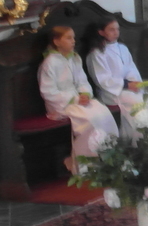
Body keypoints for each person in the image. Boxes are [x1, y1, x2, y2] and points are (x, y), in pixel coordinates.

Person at [38, 25, 119, 173]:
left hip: (79, 100)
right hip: (61, 104)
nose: (73, 41)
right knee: (89, 120)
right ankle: (85, 165)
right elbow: (48, 92)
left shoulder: (74, 58)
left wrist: (85, 94)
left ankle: (108, 157)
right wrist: (75, 99)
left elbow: (82, 81)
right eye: (69, 38)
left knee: (103, 113)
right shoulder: (50, 63)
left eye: (74, 38)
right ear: (56, 41)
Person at [86, 17, 148, 140]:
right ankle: (139, 140)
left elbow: (131, 68)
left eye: (117, 29)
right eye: (111, 30)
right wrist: (126, 85)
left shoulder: (123, 48)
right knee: (138, 105)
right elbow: (102, 79)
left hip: (129, 88)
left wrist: (134, 83)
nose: (116, 32)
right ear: (101, 32)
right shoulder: (97, 54)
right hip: (111, 92)